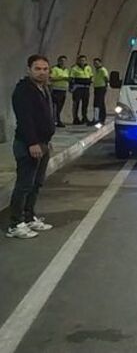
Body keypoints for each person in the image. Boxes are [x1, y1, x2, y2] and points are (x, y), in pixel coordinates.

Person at [8, 55, 56, 239]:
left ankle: (28, 217)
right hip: (28, 144)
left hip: (42, 143)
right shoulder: (24, 91)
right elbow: (25, 119)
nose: (42, 72)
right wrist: (32, 143)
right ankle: (15, 224)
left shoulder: (43, 89)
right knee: (24, 184)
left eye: (45, 69)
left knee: (36, 183)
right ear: (29, 69)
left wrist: (46, 140)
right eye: (38, 68)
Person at [70, 54, 93, 125]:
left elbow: (91, 76)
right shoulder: (74, 68)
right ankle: (75, 118)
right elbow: (71, 78)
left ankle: (84, 117)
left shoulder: (88, 67)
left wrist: (90, 81)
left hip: (86, 88)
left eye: (83, 60)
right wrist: (71, 87)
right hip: (78, 87)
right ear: (78, 61)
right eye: (81, 60)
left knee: (85, 103)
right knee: (76, 103)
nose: (82, 62)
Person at [49, 55, 70, 128]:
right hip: (56, 90)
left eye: (64, 61)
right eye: (61, 61)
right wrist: (62, 78)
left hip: (64, 90)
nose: (63, 62)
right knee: (55, 106)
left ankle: (57, 120)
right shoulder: (55, 69)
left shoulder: (66, 70)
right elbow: (51, 78)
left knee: (60, 106)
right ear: (58, 61)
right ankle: (55, 121)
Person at [90, 58, 110, 126]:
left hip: (101, 88)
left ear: (100, 63)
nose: (95, 64)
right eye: (94, 63)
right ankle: (99, 118)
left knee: (97, 103)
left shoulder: (102, 70)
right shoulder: (96, 70)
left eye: (97, 63)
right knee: (100, 103)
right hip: (97, 87)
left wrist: (106, 86)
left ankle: (97, 119)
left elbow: (106, 78)